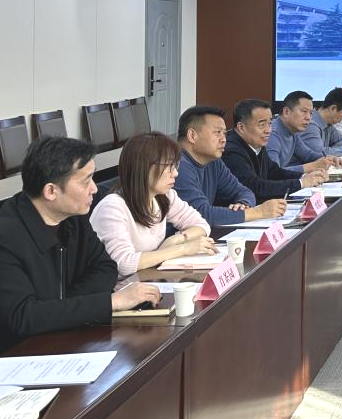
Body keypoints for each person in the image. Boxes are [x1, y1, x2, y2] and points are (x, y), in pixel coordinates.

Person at [0, 137, 159, 351]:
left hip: (65, 337)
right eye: (86, 181)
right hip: (18, 354)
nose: (94, 189)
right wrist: (111, 302)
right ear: (51, 191)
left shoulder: (73, 217)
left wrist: (63, 307)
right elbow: (23, 316)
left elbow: (106, 268)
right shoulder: (7, 235)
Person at [90, 132, 217, 277]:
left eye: (175, 165)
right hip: (121, 286)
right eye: (168, 166)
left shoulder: (164, 196)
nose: (175, 173)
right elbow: (124, 264)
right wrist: (182, 249)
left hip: (148, 279)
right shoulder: (112, 208)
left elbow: (202, 225)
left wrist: (176, 239)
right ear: (143, 167)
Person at [174, 106, 286, 226]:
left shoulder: (213, 161)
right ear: (192, 135)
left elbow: (244, 191)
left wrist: (243, 204)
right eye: (217, 132)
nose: (223, 140)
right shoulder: (176, 165)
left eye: (224, 133)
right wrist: (258, 212)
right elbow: (200, 214)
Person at [223, 99, 326, 202]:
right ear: (241, 127)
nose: (268, 130)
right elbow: (255, 187)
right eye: (262, 125)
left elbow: (274, 172)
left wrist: (304, 176)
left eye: (270, 124)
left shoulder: (255, 142)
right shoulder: (231, 151)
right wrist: (301, 183)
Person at [267, 91, 339, 173]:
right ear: (286, 112)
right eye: (304, 111)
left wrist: (329, 159)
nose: (308, 118)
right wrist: (312, 166)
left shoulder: (292, 131)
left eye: (311, 113)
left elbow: (307, 155)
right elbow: (273, 173)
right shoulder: (272, 135)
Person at [301, 87, 342, 156]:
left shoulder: (328, 124)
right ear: (333, 108)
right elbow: (319, 154)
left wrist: (330, 150)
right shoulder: (310, 124)